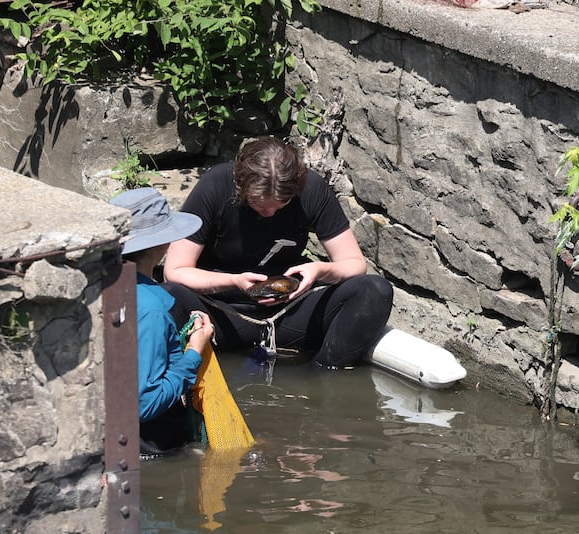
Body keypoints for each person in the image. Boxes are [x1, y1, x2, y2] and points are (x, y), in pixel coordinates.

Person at [162, 136, 393, 369]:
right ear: (240, 186)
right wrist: (233, 282)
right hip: (221, 315)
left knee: (375, 290)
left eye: (281, 204)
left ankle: (320, 377)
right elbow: (175, 271)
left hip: (288, 313)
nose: (270, 213)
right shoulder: (215, 185)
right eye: (260, 205)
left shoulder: (313, 189)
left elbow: (354, 263)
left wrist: (321, 270)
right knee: (165, 296)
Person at [109, 187, 215, 456]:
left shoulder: (100, 285)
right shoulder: (150, 310)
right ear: (161, 244)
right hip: (144, 450)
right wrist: (193, 352)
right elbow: (144, 404)